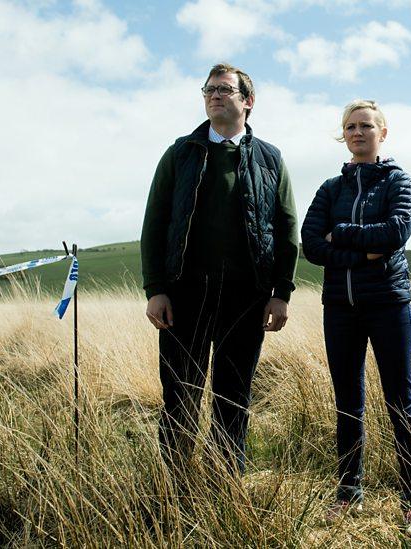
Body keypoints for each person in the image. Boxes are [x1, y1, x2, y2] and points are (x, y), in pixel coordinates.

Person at [140, 63, 298, 474]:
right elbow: (155, 224)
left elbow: (285, 228)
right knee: (180, 395)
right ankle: (172, 489)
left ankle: (226, 486)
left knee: (233, 397)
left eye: (224, 90)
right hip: (184, 295)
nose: (214, 95)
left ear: (248, 101)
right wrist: (155, 288)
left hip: (246, 297)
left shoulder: (269, 159)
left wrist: (281, 293)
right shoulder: (180, 154)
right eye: (209, 89)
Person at [301, 100, 411, 530]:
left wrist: (344, 235)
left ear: (382, 133)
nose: (358, 133)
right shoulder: (330, 189)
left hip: (389, 306)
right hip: (340, 310)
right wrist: (363, 253)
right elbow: (311, 244)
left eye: (366, 126)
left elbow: (396, 231)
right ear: (344, 135)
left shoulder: (398, 181)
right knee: (348, 404)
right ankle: (348, 491)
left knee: (399, 402)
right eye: (350, 127)